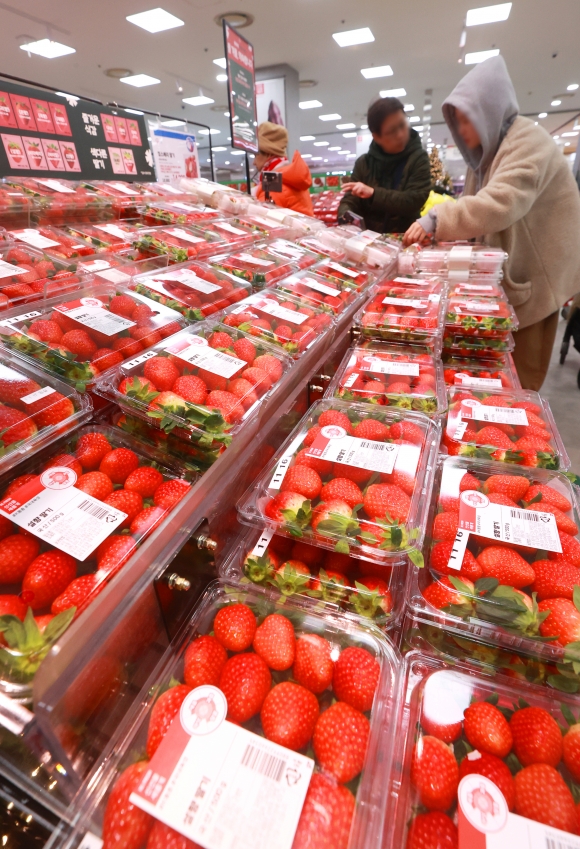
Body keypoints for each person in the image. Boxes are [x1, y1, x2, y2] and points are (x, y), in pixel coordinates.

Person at [403, 56, 580, 390]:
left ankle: (518, 424)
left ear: (489, 110)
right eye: (458, 122)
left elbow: (500, 203)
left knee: (523, 373)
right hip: (514, 270)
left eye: (468, 120)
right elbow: (479, 221)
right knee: (501, 362)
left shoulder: (529, 141)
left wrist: (436, 218)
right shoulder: (486, 154)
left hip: (541, 274)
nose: (463, 131)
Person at [338, 97, 431, 233]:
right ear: (377, 137)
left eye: (402, 125)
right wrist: (345, 215)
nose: (400, 135)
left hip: (406, 240)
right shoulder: (364, 163)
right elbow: (350, 200)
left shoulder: (418, 158)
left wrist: (374, 194)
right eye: (392, 131)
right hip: (369, 244)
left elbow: (414, 199)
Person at [253, 122, 314, 215]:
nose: (254, 162)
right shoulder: (289, 178)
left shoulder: (274, 183)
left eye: (256, 155)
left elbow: (263, 224)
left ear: (268, 153)